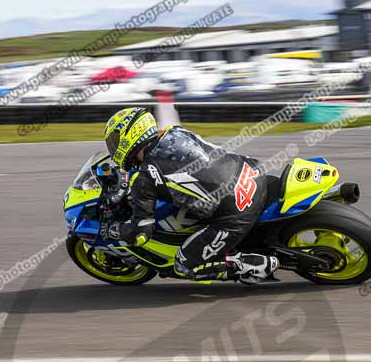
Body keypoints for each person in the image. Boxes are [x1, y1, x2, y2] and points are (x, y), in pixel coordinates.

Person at [100, 107, 279, 284]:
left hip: (236, 211)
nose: (114, 147)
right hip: (252, 172)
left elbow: (141, 235)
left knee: (183, 265)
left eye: (115, 140)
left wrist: (111, 230)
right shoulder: (175, 133)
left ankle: (250, 265)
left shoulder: (144, 178)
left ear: (129, 135)